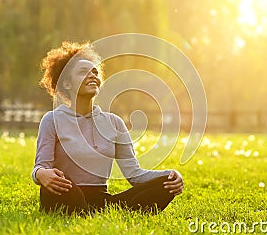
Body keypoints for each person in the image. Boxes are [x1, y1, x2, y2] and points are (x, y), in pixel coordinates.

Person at [32, 41, 183, 215]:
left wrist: (171, 174)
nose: (92, 75)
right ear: (67, 84)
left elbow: (134, 174)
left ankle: (89, 213)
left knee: (165, 183)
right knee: (66, 191)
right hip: (65, 193)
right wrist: (40, 175)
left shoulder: (114, 123)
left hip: (101, 200)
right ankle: (83, 212)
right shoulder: (52, 119)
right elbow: (41, 167)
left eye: (95, 72)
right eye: (83, 72)